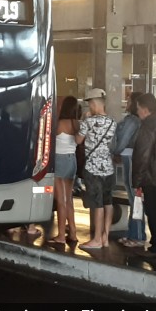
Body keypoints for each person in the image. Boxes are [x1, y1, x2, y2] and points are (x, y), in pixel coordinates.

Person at [75, 88, 116, 250]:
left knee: (97, 204)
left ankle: (97, 239)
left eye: (89, 104)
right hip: (108, 168)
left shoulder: (89, 122)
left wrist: (84, 120)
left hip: (93, 168)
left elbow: (78, 141)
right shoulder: (113, 122)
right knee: (108, 201)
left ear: (93, 103)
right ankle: (105, 236)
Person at [132, 93, 156, 257]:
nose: (137, 112)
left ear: (145, 110)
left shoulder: (147, 127)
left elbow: (142, 156)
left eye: (138, 108)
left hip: (153, 178)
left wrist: (136, 181)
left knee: (155, 214)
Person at [113, 92, 145, 248]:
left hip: (130, 158)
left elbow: (123, 140)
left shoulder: (132, 121)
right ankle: (133, 233)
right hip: (130, 157)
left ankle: (138, 235)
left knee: (135, 198)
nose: (126, 102)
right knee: (134, 198)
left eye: (129, 100)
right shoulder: (138, 120)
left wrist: (115, 151)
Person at [48, 96, 80, 245]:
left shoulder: (59, 124)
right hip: (72, 161)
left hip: (60, 161)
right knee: (69, 200)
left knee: (61, 201)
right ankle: (72, 232)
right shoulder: (76, 124)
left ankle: (61, 235)